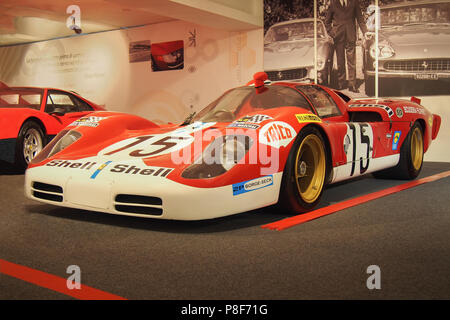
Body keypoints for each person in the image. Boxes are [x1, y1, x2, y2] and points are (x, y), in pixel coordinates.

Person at [325, 0, 367, 92]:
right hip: (338, 37)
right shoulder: (333, 3)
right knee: (340, 61)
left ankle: (352, 85)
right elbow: (327, 22)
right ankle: (341, 83)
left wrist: (365, 32)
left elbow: (360, 19)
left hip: (350, 35)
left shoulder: (354, 2)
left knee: (351, 61)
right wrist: (332, 33)